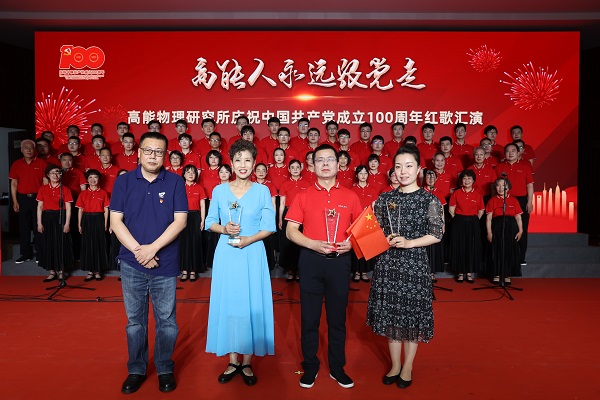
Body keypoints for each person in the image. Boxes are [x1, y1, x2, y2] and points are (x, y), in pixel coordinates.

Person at [110, 131, 187, 394]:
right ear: (139, 152)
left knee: (167, 322)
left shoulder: (175, 182)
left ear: (165, 155)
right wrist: (138, 252)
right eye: (148, 150)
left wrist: (152, 249)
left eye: (159, 152)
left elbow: (180, 221)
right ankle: (136, 369)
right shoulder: (124, 182)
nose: (153, 156)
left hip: (165, 263)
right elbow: (116, 221)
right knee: (135, 322)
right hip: (132, 263)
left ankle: (164, 368)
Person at [286, 144, 363, 389]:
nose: (326, 164)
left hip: (340, 263)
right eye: (320, 160)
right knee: (309, 318)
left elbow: (362, 231)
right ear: (313, 165)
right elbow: (290, 231)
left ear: (339, 164)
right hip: (311, 261)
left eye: (330, 159)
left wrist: (352, 244)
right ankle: (310, 366)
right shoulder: (303, 195)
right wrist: (312, 244)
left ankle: (337, 367)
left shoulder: (351, 196)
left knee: (337, 318)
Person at [366, 145, 443, 389]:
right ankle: (395, 365)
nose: (403, 171)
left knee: (411, 317)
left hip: (414, 265)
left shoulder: (429, 200)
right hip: (387, 265)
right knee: (392, 315)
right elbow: (373, 231)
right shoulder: (385, 199)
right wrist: (376, 234)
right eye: (398, 166)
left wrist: (409, 243)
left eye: (409, 166)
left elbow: (437, 233)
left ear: (419, 169)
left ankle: (407, 366)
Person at [205, 139, 276, 386]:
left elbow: (269, 226)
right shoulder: (219, 191)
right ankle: (232, 360)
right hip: (226, 253)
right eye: (238, 160)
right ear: (231, 163)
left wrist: (249, 239)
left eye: (247, 160)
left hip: (252, 252)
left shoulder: (262, 191)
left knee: (251, 303)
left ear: (255, 163)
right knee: (229, 302)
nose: (243, 164)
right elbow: (209, 222)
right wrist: (224, 228)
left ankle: (247, 361)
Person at [9, 139, 47, 263]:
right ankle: (26, 254)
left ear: (34, 150)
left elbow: (45, 182)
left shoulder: (41, 163)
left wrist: (44, 199)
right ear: (22, 150)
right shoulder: (16, 164)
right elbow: (14, 183)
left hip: (38, 198)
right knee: (24, 227)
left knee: (38, 226)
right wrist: (15, 201)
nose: (29, 150)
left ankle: (40, 253)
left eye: (31, 147)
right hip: (22, 198)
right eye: (26, 147)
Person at [495, 142, 533, 266]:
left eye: (513, 151)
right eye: (508, 151)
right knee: (505, 227)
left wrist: (529, 202)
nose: (510, 153)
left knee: (522, 227)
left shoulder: (525, 166)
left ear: (518, 152)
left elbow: (530, 185)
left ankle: (520, 257)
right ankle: (505, 256)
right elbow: (495, 186)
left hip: (521, 200)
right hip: (504, 199)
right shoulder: (500, 167)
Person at [36, 164, 74, 282]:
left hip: (60, 217)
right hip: (47, 218)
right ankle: (52, 271)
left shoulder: (65, 189)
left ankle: (61, 270)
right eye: (52, 173)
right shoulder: (42, 189)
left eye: (57, 172)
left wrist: (67, 223)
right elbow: (40, 207)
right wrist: (39, 223)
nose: (55, 175)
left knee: (61, 243)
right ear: (48, 175)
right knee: (49, 243)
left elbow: (68, 208)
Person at [485, 177, 524, 285]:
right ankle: (496, 274)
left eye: (503, 185)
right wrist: (489, 232)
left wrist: (521, 230)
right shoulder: (492, 200)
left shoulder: (514, 200)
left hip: (511, 229)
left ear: (508, 187)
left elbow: (518, 217)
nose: (500, 188)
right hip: (497, 229)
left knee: (509, 250)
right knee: (497, 250)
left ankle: (507, 274)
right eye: (498, 185)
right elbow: (488, 218)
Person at [448, 169, 484, 283]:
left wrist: (473, 220)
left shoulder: (478, 194)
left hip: (473, 222)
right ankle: (460, 272)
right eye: (464, 178)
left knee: (471, 246)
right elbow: (451, 209)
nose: (467, 181)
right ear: (461, 181)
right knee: (459, 246)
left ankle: (469, 272)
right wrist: (459, 220)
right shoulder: (456, 193)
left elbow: (481, 210)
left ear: (473, 180)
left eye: (469, 178)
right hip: (459, 221)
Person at [278, 159, 310, 281]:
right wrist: (280, 219)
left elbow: (309, 202)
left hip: (303, 214)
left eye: (297, 167)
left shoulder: (307, 183)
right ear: (289, 169)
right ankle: (290, 270)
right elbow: (282, 203)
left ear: (301, 169)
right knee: (289, 242)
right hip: (288, 213)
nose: (295, 170)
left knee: (301, 242)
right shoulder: (285, 184)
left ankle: (300, 270)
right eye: (293, 167)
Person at [76, 169, 109, 281]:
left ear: (99, 179)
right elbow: (80, 210)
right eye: (90, 177)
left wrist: (105, 224)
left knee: (99, 244)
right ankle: (90, 271)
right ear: (87, 180)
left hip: (99, 219)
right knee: (88, 245)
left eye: (95, 177)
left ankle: (98, 271)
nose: (93, 180)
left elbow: (106, 210)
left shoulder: (103, 193)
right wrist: (79, 224)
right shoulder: (83, 193)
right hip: (87, 220)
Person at [179, 164, 207, 282]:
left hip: (195, 217)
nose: (190, 174)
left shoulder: (199, 188)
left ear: (196, 175)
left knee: (195, 243)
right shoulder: (180, 187)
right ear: (184, 174)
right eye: (188, 172)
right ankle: (184, 270)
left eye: (193, 172)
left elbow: (202, 205)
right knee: (184, 244)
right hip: (182, 217)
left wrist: (202, 220)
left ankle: (193, 271)